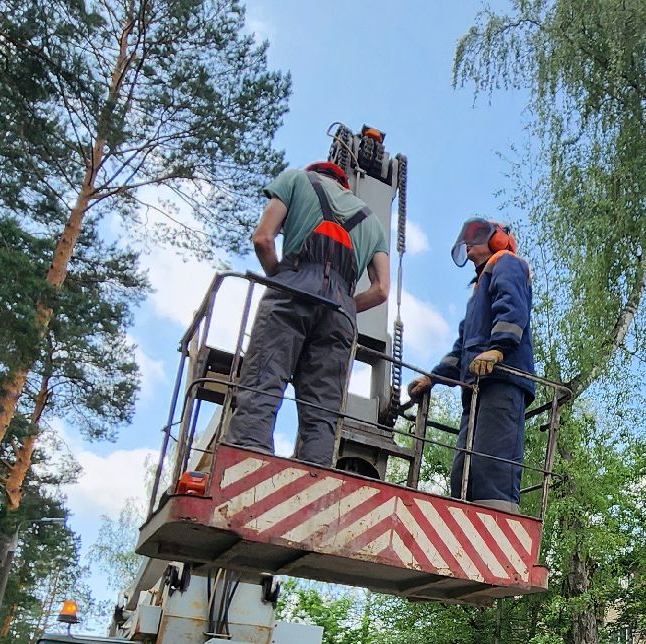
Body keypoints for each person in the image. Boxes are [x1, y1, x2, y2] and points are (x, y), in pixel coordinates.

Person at [225, 160, 390, 467]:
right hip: (340, 311)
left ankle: (248, 461)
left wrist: (280, 277)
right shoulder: (373, 221)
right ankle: (315, 475)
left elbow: (263, 238)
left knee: (264, 378)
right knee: (323, 408)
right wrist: (347, 305)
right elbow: (381, 290)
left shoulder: (296, 180)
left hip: (292, 288)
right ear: (344, 184)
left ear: (316, 172)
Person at [406, 217, 533, 512]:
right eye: (467, 239)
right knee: (464, 470)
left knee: (493, 465)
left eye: (477, 236)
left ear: (498, 238)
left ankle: (500, 524)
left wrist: (498, 350)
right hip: (476, 387)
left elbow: (513, 309)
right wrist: (433, 378)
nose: (469, 244)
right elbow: (463, 346)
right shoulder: (478, 290)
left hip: (503, 381)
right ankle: (464, 517)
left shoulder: (507, 263)